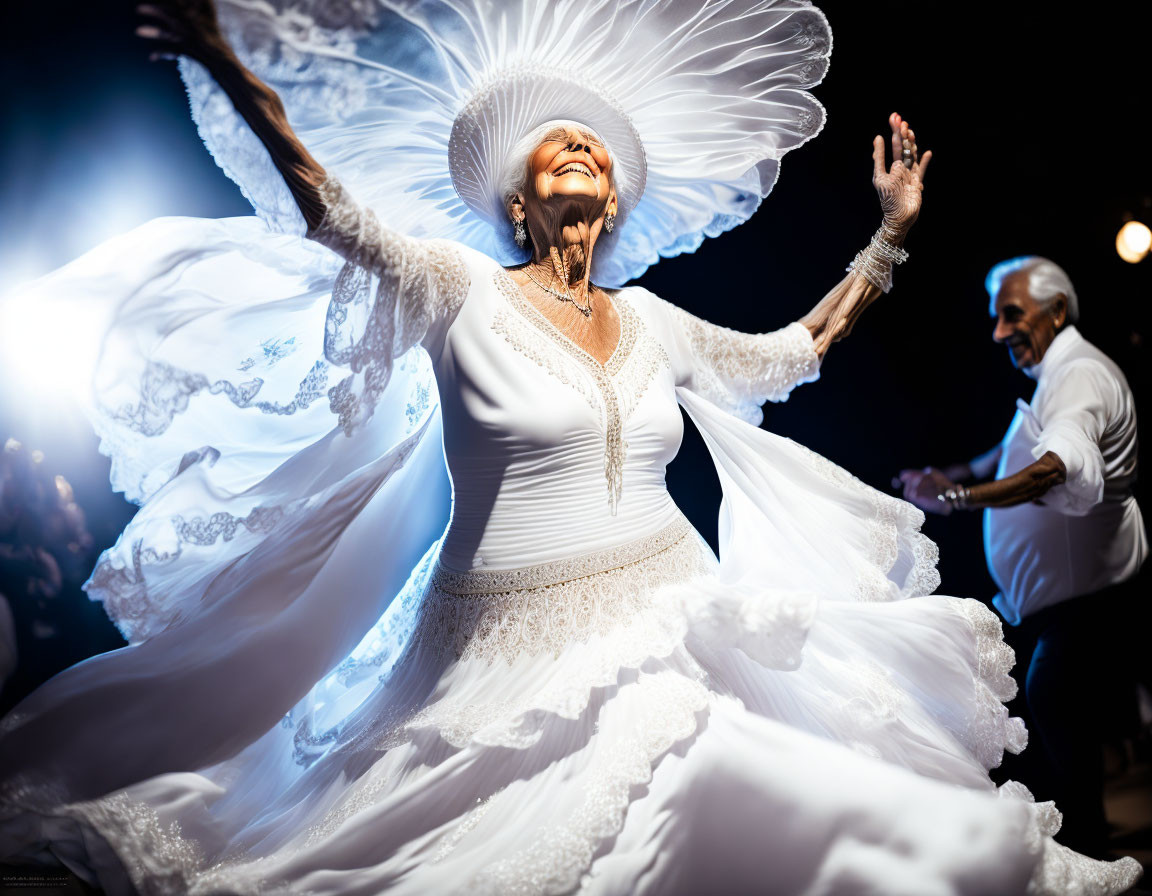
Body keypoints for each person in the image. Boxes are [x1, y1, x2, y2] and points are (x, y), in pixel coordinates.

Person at [0, 0, 1141, 893]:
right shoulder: (457, 291)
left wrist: (888, 236)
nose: (582, 146)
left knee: (751, 788)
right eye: (559, 145)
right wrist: (231, 69)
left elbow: (794, 350)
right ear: (520, 202)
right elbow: (328, 208)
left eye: (595, 141)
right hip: (499, 652)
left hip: (666, 617)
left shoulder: (653, 320)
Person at [896, 256, 1148, 859]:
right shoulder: (1059, 377)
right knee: (1061, 707)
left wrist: (956, 499)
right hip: (1074, 603)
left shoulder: (1081, 377)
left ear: (1056, 310)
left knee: (1054, 697)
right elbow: (1011, 452)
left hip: (1091, 599)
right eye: (996, 318)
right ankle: (1091, 842)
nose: (1000, 332)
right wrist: (954, 472)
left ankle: (1092, 851)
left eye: (1012, 316)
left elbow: (1055, 466)